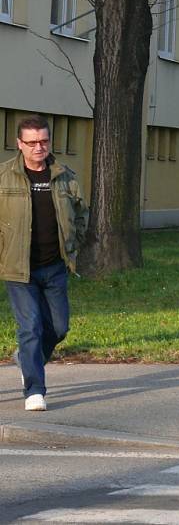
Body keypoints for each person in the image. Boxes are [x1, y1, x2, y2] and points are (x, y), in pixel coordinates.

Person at [1, 115, 88, 411]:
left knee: (60, 327)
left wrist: (74, 243)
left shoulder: (65, 175)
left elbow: (80, 214)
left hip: (55, 266)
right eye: (32, 142)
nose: (39, 147)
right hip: (18, 268)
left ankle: (27, 358)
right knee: (31, 328)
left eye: (44, 141)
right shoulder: (4, 177)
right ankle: (34, 390)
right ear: (19, 144)